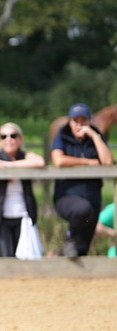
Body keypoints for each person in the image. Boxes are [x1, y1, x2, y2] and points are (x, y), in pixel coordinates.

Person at [0, 122, 44, 257]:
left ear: (20, 139)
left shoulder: (25, 156)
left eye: (13, 135)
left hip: (23, 216)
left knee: (24, 257)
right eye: (3, 136)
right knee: (6, 256)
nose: (8, 139)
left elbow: (40, 162)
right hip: (0, 218)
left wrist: (10, 165)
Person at [50, 103, 113, 257]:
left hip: (93, 202)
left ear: (89, 121)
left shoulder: (96, 137)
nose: (79, 125)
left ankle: (57, 257)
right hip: (67, 198)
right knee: (81, 209)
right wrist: (88, 162)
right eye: (75, 121)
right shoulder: (62, 136)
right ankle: (69, 239)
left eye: (83, 120)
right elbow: (58, 160)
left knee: (81, 250)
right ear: (70, 122)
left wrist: (94, 136)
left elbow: (107, 162)